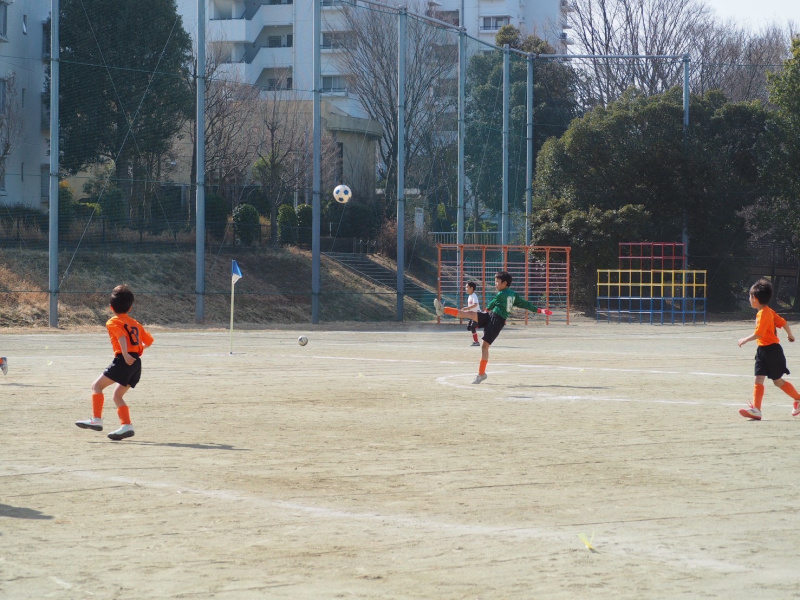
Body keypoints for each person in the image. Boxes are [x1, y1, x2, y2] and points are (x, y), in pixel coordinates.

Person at [434, 270, 552, 384]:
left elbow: (492, 304)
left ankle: (481, 374)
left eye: (497, 281)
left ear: (504, 283)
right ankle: (443, 310)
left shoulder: (501, 294)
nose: (495, 284)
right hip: (492, 317)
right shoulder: (513, 295)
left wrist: (486, 310)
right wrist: (540, 310)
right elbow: (525, 304)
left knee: (483, 345)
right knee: (470, 316)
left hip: (496, 321)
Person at [75, 284, 154, 440]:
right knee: (117, 395)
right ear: (130, 308)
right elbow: (149, 341)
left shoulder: (113, 321)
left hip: (124, 360)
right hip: (136, 363)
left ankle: (96, 419)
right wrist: (137, 350)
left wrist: (125, 353)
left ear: (111, 307)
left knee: (96, 386)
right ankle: (126, 426)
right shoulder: (135, 323)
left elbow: (121, 337)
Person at [737, 278, 800, 420]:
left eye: (750, 296)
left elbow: (759, 333)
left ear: (755, 298)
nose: (749, 299)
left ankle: (798, 398)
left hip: (772, 351)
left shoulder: (764, 313)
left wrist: (745, 339)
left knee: (778, 381)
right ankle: (756, 410)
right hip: (762, 351)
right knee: (758, 378)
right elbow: (783, 322)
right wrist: (790, 335)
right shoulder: (768, 311)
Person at [463, 281, 481, 346]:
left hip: (477, 314)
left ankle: (476, 342)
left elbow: (475, 304)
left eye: (467, 287)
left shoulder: (474, 295)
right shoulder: (470, 296)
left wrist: (467, 308)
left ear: (471, 288)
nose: (466, 289)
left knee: (472, 327)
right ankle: (480, 324)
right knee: (469, 327)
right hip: (472, 315)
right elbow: (471, 308)